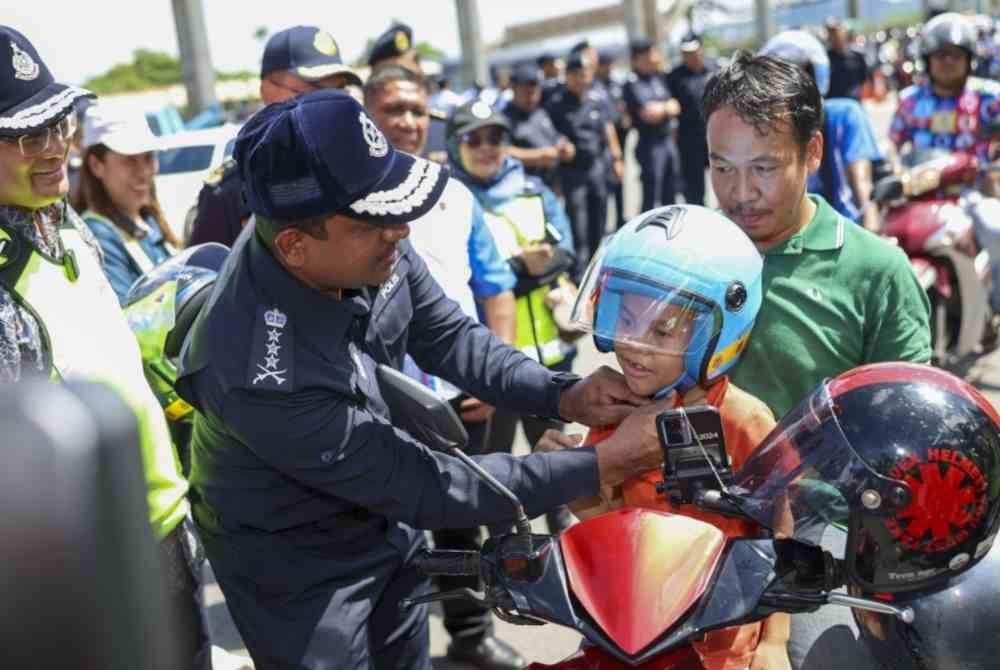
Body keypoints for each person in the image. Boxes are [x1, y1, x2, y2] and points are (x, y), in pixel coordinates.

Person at [174, 89, 671, 670]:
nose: (402, 231)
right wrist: (600, 465)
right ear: (295, 246)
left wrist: (563, 393)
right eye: (377, 221)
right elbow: (425, 483)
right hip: (297, 569)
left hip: (388, 521)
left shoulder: (366, 237)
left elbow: (450, 337)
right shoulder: (254, 367)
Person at [704, 50, 932, 670]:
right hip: (693, 513)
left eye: (763, 168)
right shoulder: (690, 256)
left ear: (812, 153)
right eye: (721, 167)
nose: (740, 193)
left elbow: (911, 434)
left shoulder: (874, 272)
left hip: (821, 528)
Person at [0, 26, 209, 668]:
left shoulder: (67, 225)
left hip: (164, 529)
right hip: (85, 567)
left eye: (60, 125)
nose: (55, 148)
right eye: (30, 135)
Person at [547, 203, 789, 670]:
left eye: (663, 329)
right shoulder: (614, 414)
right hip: (628, 631)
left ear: (719, 334)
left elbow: (777, 530)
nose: (635, 342)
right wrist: (574, 488)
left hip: (720, 647)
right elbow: (615, 533)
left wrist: (775, 641)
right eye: (627, 319)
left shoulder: (742, 420)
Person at [363, 63, 525, 670]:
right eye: (391, 109)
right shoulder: (346, 197)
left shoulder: (455, 196)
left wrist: (491, 375)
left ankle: (469, 635)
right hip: (378, 399)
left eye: (415, 110)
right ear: (367, 115)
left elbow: (496, 287)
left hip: (458, 397)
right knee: (387, 534)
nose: (406, 122)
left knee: (461, 525)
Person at [446, 100, 581, 536]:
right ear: (454, 144)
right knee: (495, 468)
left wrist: (523, 270)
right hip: (488, 366)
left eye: (496, 138)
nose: (487, 148)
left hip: (548, 359)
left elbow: (567, 252)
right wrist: (525, 269)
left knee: (556, 458)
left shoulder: (535, 191)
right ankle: (511, 553)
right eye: (474, 139)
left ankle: (564, 543)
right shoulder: (448, 204)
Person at [188, 25, 362, 248]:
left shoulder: (359, 169)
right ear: (267, 89)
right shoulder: (229, 192)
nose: (329, 105)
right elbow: (207, 275)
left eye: (338, 92)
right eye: (315, 91)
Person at [889, 12, 1000, 310]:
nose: (947, 61)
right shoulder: (909, 99)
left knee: (996, 229)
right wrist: (893, 173)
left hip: (971, 191)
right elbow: (895, 146)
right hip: (917, 194)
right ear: (927, 58)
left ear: (969, 59)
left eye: (955, 55)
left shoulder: (989, 97)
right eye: (940, 55)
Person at [759, 30, 883, 232]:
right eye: (778, 80)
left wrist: (872, 229)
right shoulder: (763, 131)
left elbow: (861, 180)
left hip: (847, 231)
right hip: (792, 240)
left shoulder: (845, 114)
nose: (790, 89)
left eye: (801, 74)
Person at [71, 104, 178, 304]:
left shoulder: (147, 220)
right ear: (96, 165)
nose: (144, 171)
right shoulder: (98, 235)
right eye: (129, 160)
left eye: (148, 157)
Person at [546, 53, 623, 277]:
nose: (582, 80)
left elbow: (608, 128)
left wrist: (617, 158)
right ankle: (579, 273)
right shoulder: (556, 104)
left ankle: (599, 267)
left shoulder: (596, 98)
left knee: (600, 218)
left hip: (597, 167)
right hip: (573, 172)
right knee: (578, 224)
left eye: (585, 74)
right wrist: (560, 144)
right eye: (576, 75)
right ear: (568, 76)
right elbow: (550, 132)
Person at [624, 38, 681, 211]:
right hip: (650, 145)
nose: (654, 57)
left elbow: (676, 106)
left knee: (671, 193)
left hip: (667, 141)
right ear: (637, 59)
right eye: (648, 54)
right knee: (651, 196)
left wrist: (664, 108)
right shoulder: (633, 83)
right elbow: (649, 114)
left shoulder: (658, 78)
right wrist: (667, 108)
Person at [501, 62, 574, 191]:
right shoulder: (504, 119)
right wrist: (539, 156)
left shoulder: (540, 113)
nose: (532, 97)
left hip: (550, 187)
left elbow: (554, 137)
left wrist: (564, 146)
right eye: (527, 92)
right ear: (514, 88)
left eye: (535, 92)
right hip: (523, 189)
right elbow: (502, 152)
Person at [665, 33, 717, 206]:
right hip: (688, 141)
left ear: (701, 49)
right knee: (694, 192)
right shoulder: (674, 77)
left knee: (725, 183)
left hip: (716, 137)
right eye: (685, 53)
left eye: (693, 52)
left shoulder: (715, 70)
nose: (690, 56)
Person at [594, 49, 629, 226]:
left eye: (609, 65)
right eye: (604, 65)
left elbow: (622, 106)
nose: (608, 68)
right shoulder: (595, 86)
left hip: (621, 137)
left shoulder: (615, 85)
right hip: (604, 141)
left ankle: (620, 217)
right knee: (606, 182)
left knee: (619, 181)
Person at [825, 18, 870, 100]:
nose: (835, 36)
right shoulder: (825, 58)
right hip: (832, 103)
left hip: (853, 103)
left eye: (837, 31)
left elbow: (864, 80)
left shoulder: (857, 56)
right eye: (831, 33)